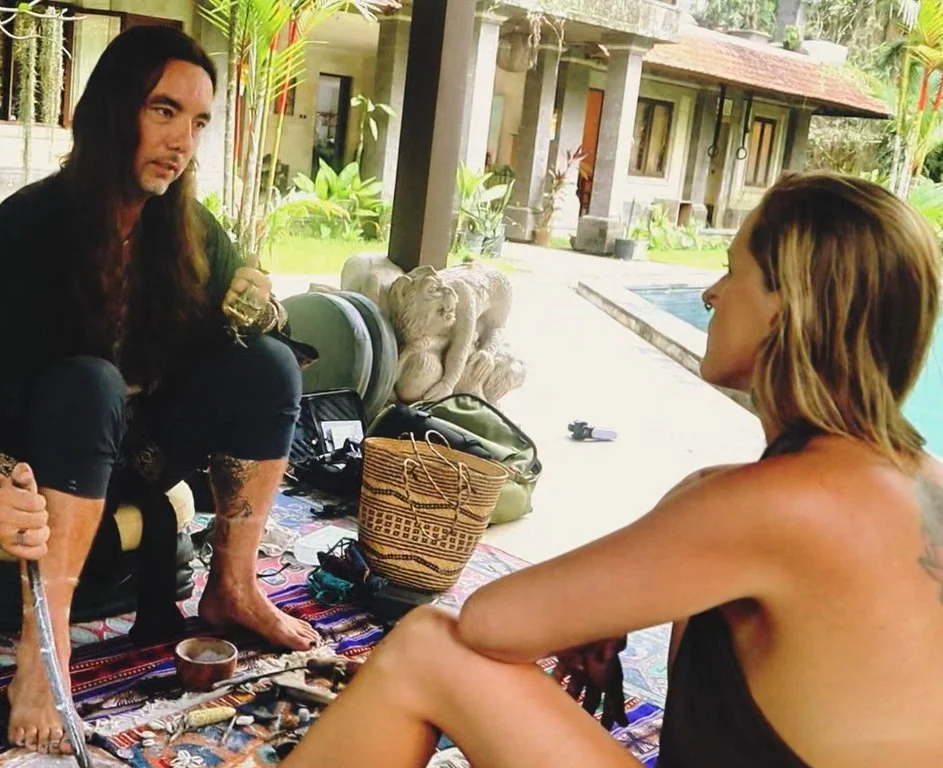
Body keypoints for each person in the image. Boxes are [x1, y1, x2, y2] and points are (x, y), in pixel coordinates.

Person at [281, 173, 943, 767]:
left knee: (428, 646)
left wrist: (586, 614)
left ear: (782, 307)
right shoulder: (918, 478)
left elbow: (491, 623)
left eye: (730, 269)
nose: (711, 294)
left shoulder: (778, 501)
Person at [0, 25, 320, 756]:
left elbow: (245, 295)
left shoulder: (185, 229)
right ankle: (46, 647)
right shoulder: (24, 231)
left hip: (140, 454)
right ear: (109, 112)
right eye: (163, 111)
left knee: (269, 364)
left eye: (196, 121)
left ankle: (232, 587)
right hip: (38, 458)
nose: (181, 140)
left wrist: (259, 293)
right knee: (89, 382)